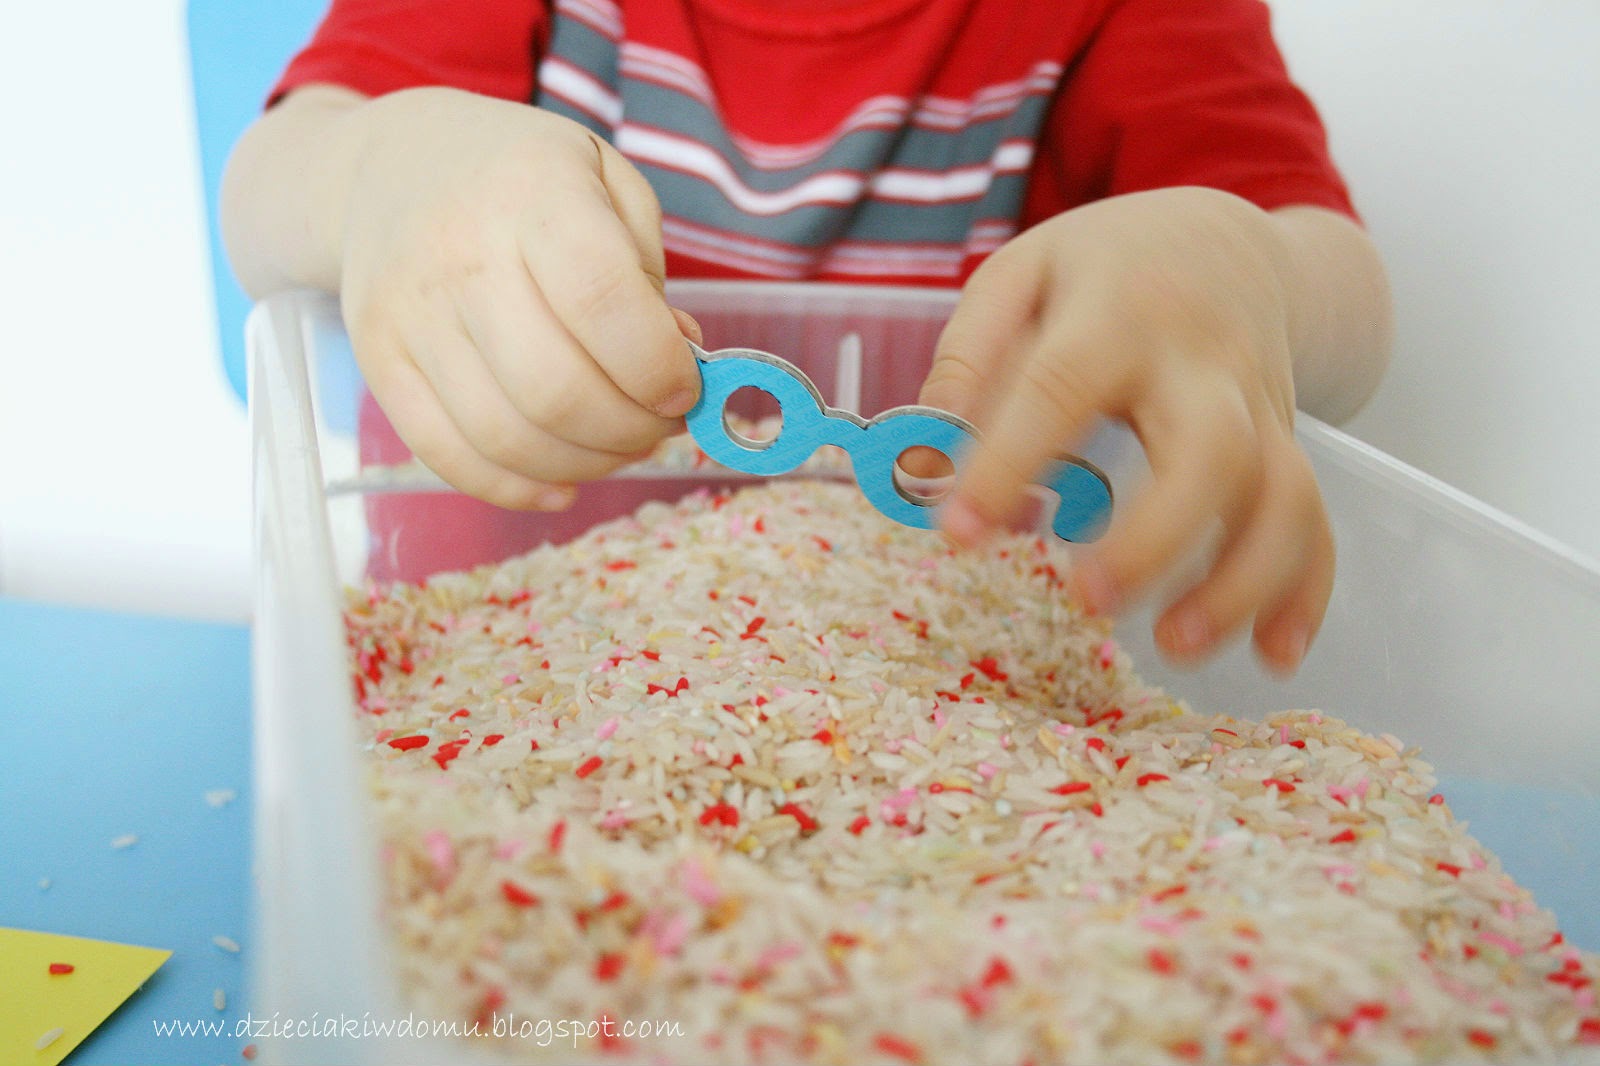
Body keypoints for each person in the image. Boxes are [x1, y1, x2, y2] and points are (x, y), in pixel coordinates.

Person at [221, 0, 1391, 675]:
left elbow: (1345, 289)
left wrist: (1252, 269)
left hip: (932, 682)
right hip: (496, 664)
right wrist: (381, 162)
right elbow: (269, 186)